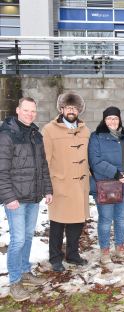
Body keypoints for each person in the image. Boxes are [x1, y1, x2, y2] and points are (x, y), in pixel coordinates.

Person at [0, 97, 53, 301]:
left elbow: (43, 166)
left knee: (28, 236)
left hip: (33, 196)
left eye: (33, 111)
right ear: (18, 110)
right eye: (26, 110)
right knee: (18, 239)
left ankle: (24, 271)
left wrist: (47, 189)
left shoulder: (35, 135)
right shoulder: (7, 135)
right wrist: (8, 197)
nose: (30, 114)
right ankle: (14, 281)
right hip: (15, 198)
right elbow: (2, 170)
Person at [43, 92, 90, 272]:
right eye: (68, 107)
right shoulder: (49, 130)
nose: (71, 110)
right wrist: (47, 185)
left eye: (74, 108)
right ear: (61, 109)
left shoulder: (85, 130)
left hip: (80, 185)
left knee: (77, 223)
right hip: (59, 185)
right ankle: (55, 258)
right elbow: (45, 160)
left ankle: (72, 254)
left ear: (79, 110)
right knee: (57, 223)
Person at [88, 106, 124, 264]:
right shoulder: (96, 137)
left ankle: (120, 246)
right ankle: (104, 250)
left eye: (115, 118)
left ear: (120, 120)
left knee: (120, 218)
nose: (112, 121)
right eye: (109, 118)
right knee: (105, 219)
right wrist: (116, 173)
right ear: (104, 120)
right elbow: (95, 161)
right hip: (105, 185)